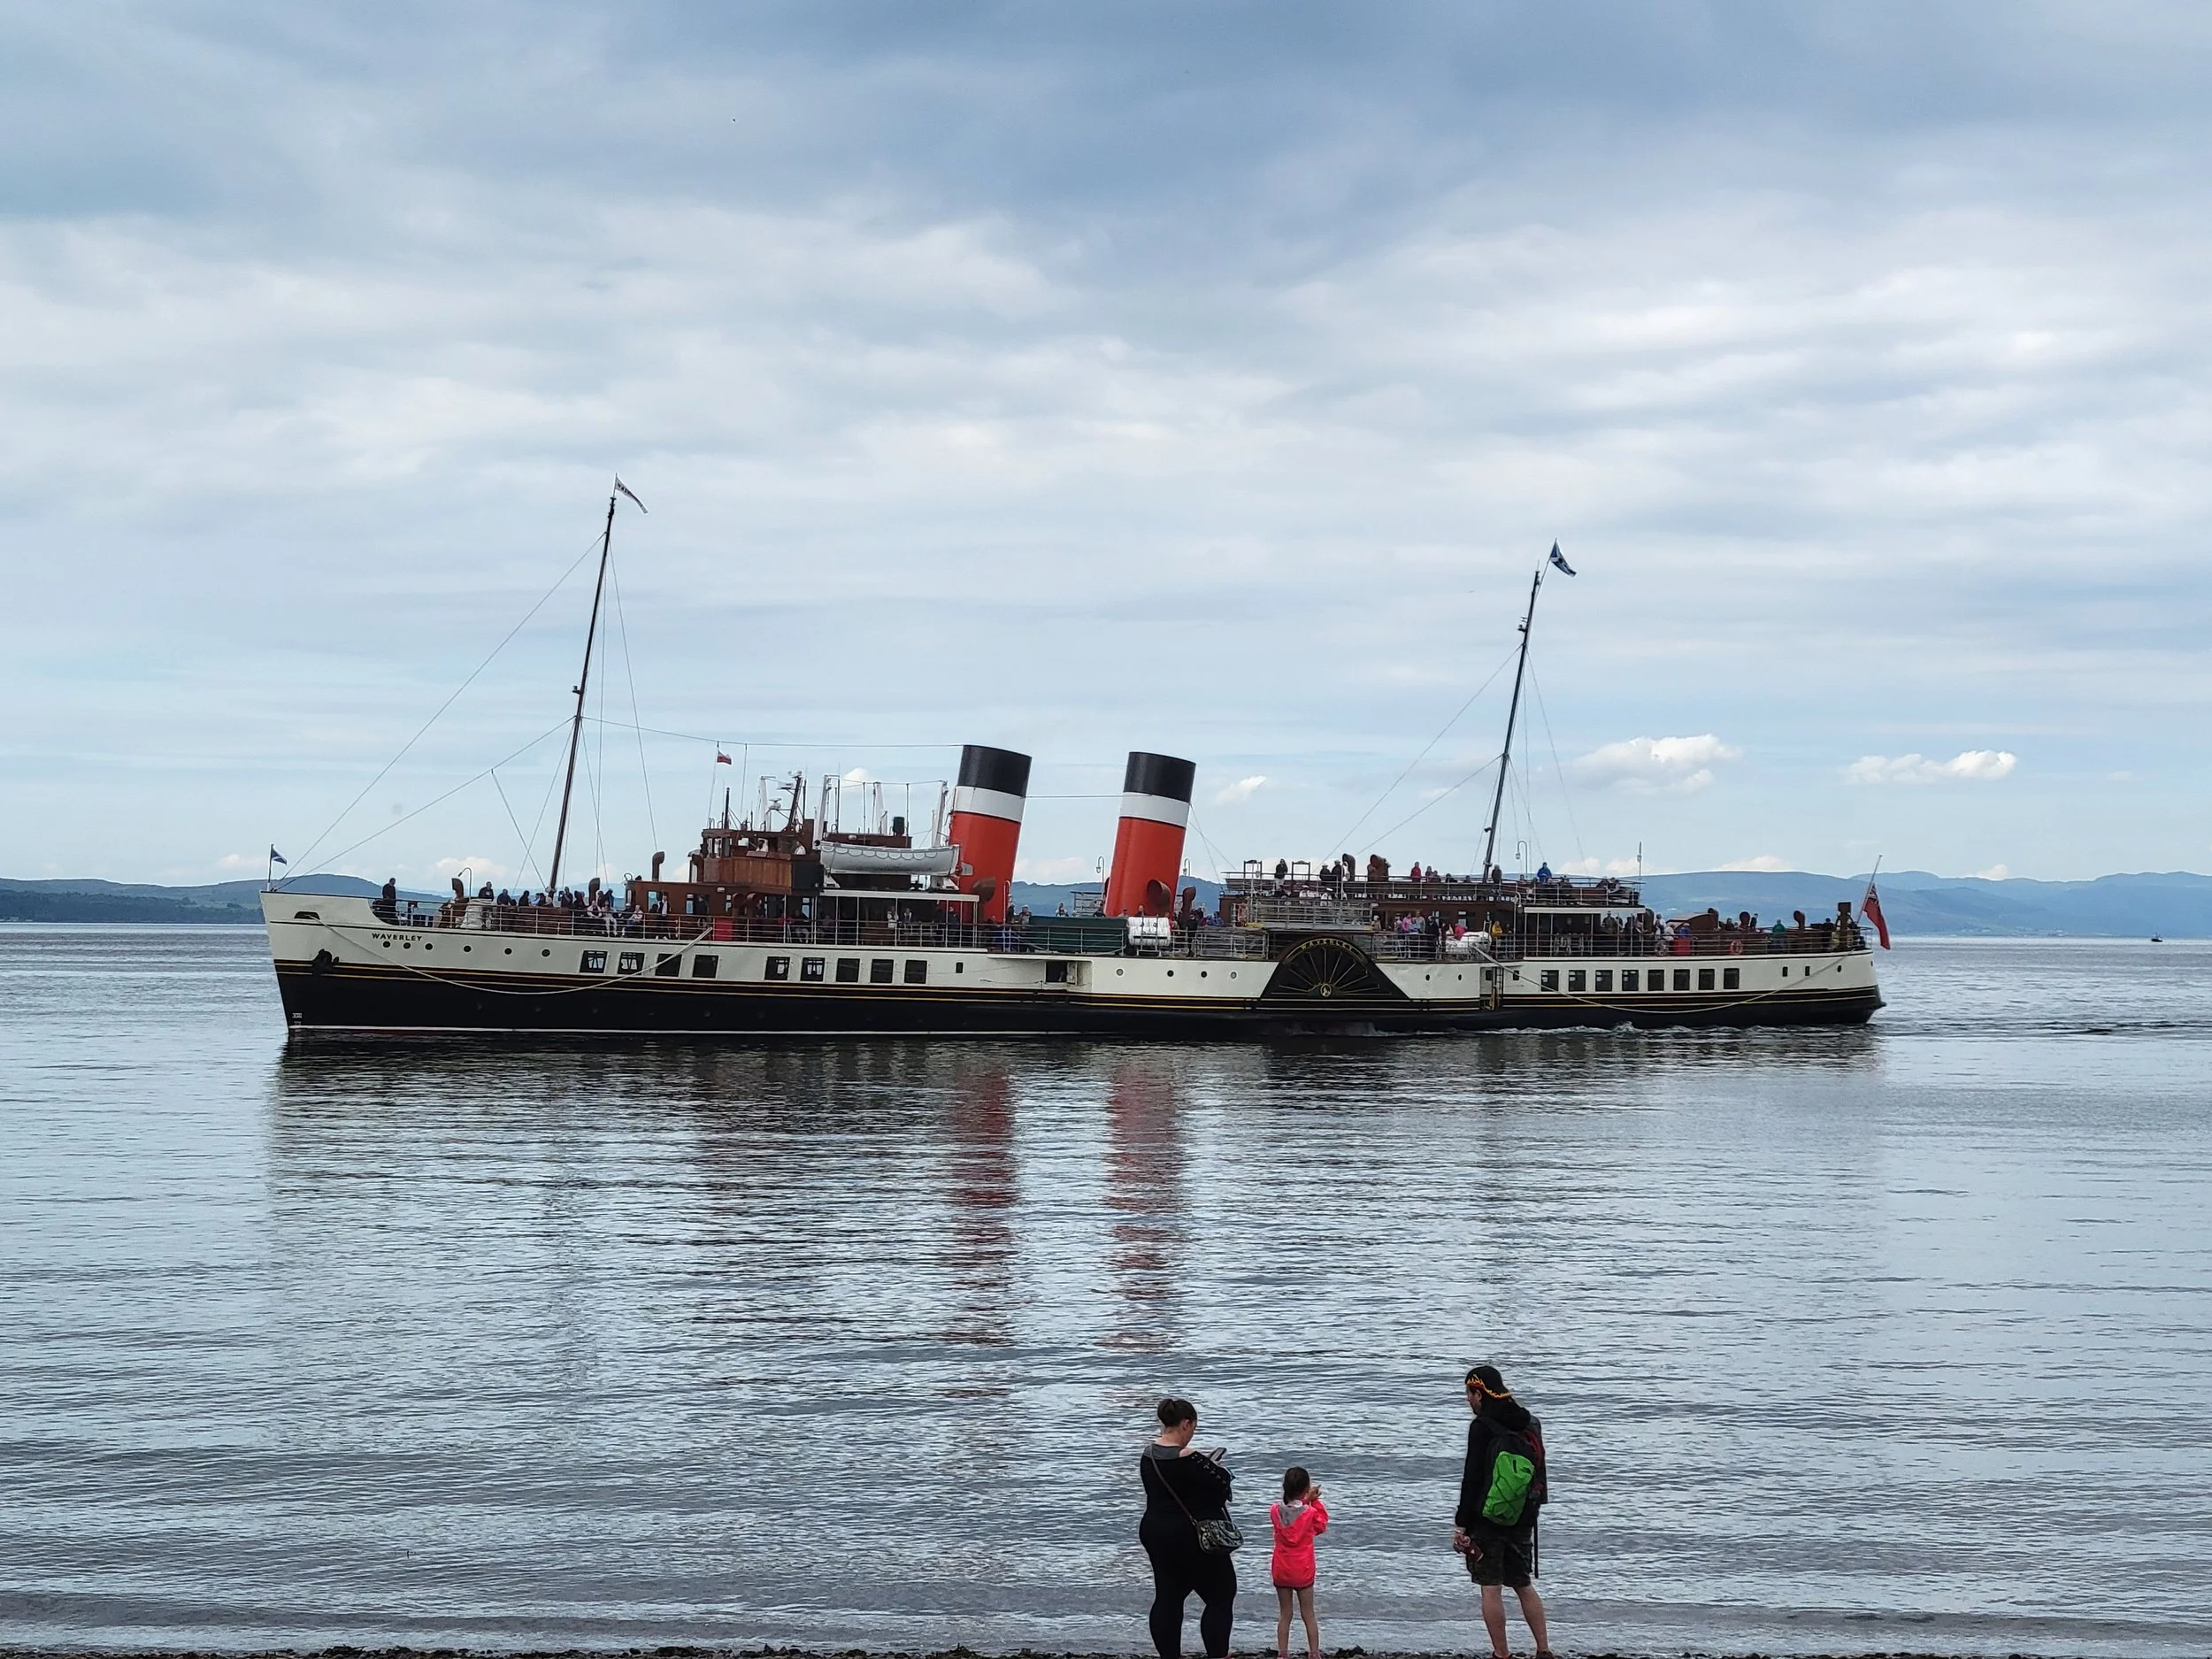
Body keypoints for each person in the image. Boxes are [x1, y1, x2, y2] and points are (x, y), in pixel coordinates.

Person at [1455, 1365, 1552, 1659]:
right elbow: (1539, 1472)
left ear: (1479, 1393)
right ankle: (1544, 1650)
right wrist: (1532, 1511)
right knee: (1523, 1583)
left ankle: (1501, 1653)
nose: (1468, 1402)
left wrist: (1462, 1525)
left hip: (1487, 1519)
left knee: (1490, 1587)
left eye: (1469, 1395)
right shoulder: (1530, 1422)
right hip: (1523, 1517)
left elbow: (1472, 1479)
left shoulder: (1482, 1427)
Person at [1140, 1396, 1237, 1659]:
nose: (1192, 1434)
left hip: (1156, 1531)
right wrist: (1216, 1466)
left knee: (1168, 1596)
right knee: (1221, 1595)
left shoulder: (1148, 1456)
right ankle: (1218, 1655)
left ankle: (1169, 1655)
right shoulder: (1191, 1458)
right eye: (1193, 1427)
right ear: (1185, 1424)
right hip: (1193, 1536)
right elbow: (1221, 1488)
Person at [1270, 1465, 1329, 1659]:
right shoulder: (1309, 1513)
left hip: (1281, 1568)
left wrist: (1306, 1500)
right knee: (1308, 1614)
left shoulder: (1275, 1511)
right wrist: (1314, 1502)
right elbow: (1321, 1524)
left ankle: (1283, 1653)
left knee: (1285, 1614)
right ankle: (1314, 1653)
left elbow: (1291, 1510)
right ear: (1306, 1489)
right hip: (1302, 1569)